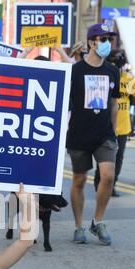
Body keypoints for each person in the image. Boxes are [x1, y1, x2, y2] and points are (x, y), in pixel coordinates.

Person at [67, 24, 120, 246]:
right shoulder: (75, 71)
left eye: (109, 38)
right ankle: (79, 226)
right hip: (80, 133)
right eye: (103, 38)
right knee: (80, 179)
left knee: (107, 176)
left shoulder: (112, 71)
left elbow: (114, 103)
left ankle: (97, 221)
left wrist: (114, 133)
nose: (107, 42)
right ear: (91, 42)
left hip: (104, 134)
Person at [94, 49, 135, 197]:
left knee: (118, 157)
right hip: (106, 124)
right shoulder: (105, 77)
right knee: (104, 156)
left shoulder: (129, 79)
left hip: (123, 126)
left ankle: (112, 185)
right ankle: (99, 181)